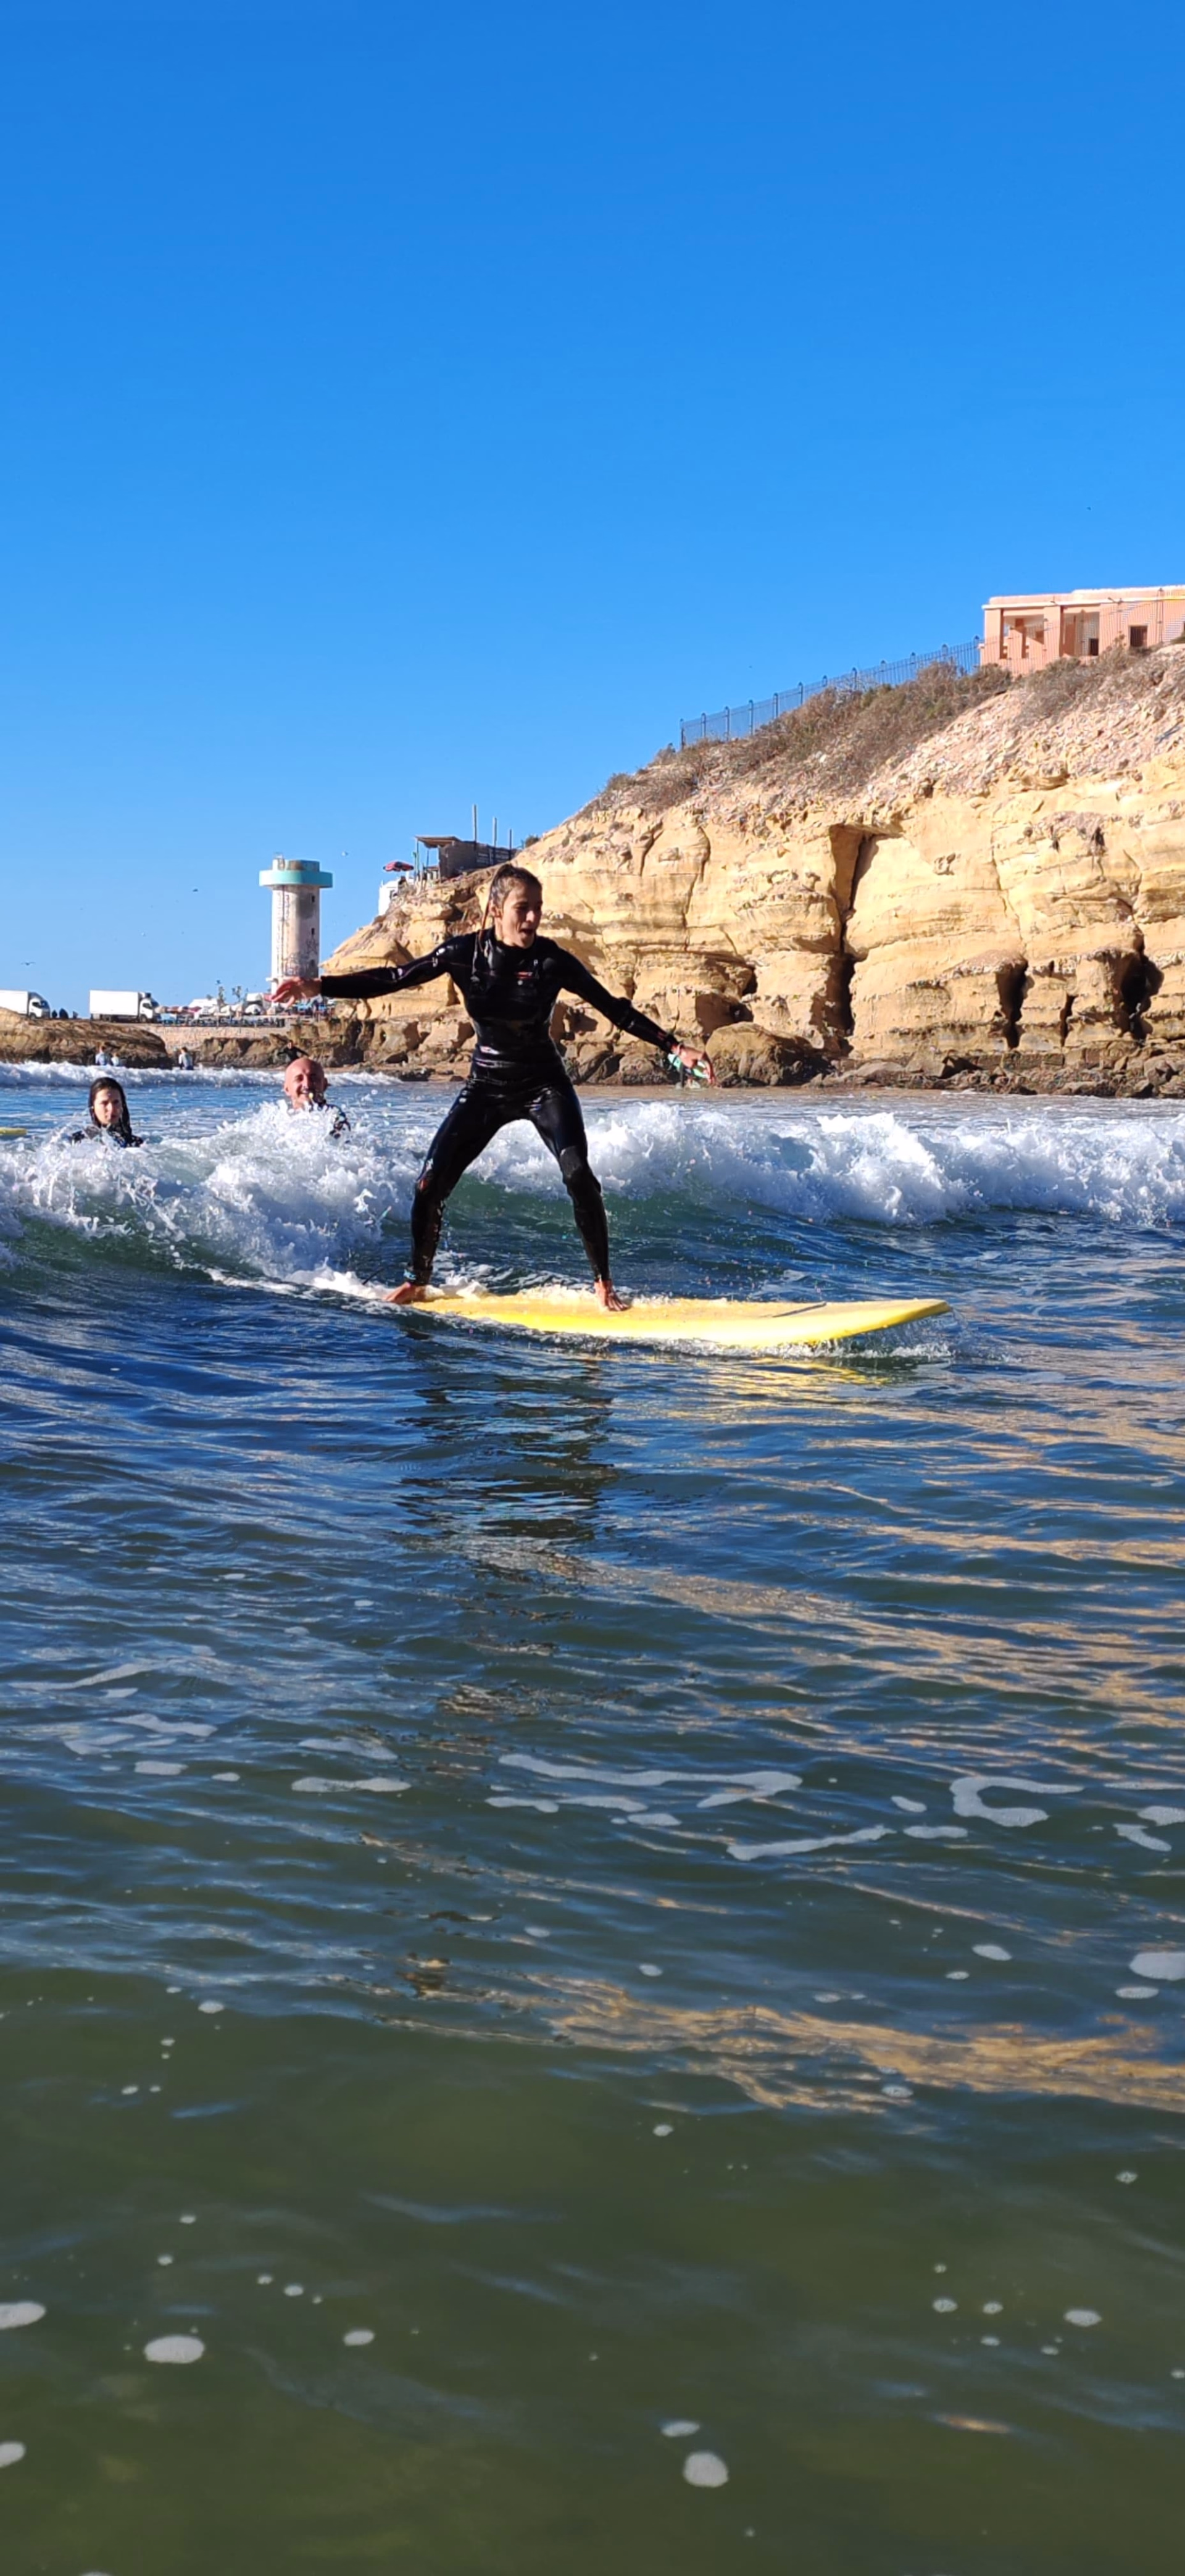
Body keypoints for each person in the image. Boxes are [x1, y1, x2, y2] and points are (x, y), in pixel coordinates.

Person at [272, 862, 712, 1307]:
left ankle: (604, 1284)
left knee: (578, 1174)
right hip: (486, 1086)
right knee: (429, 1183)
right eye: (524, 908)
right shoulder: (463, 955)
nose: (533, 919)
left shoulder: (551, 960)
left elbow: (613, 1007)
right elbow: (394, 978)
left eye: (539, 909)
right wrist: (319, 985)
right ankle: (417, 1278)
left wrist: (675, 1047)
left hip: (544, 1085)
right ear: (497, 909)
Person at [281, 1053, 351, 1136]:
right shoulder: (278, 1119)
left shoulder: (334, 1116)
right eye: (299, 1079)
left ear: (324, 1085)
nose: (307, 1085)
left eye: (313, 1078)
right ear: (287, 1089)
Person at [66, 1077, 143, 1148]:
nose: (112, 1109)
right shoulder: (76, 1141)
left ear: (123, 1105)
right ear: (93, 1107)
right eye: (104, 1103)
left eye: (116, 1102)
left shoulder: (137, 1144)